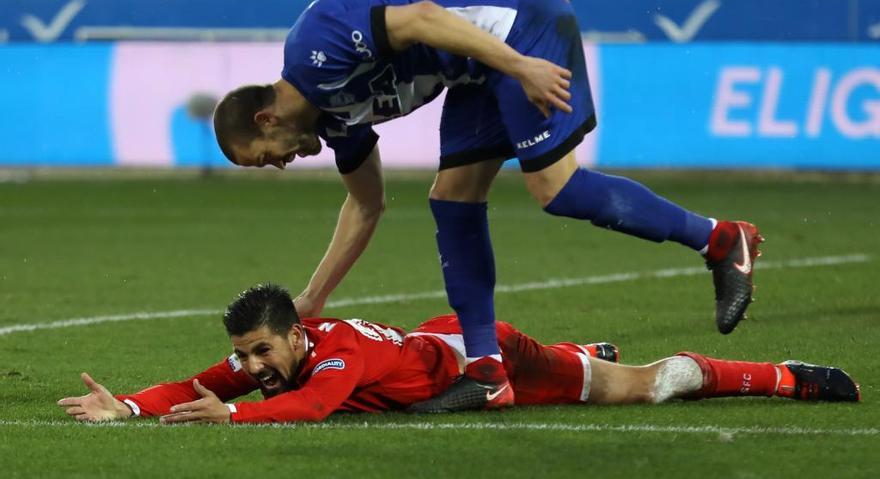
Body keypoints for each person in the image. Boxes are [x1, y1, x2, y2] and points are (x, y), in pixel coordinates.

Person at [211, 0, 764, 413]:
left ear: (265, 119)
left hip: (517, 29)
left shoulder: (313, 47)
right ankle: (487, 373)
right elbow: (366, 203)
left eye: (264, 156)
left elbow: (424, 16)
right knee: (452, 198)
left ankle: (720, 238)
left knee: (557, 187)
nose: (277, 165)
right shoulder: (335, 123)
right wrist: (312, 298)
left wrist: (519, 65)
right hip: (476, 70)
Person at [57, 284, 859, 424]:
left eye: (260, 351)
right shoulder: (280, 354)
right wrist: (128, 404)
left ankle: (783, 376)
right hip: (443, 355)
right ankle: (584, 355)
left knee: (658, 387)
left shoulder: (332, 358)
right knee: (593, 377)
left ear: (296, 333)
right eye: (245, 355)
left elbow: (310, 406)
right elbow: (194, 381)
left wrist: (228, 414)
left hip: (487, 362)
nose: (251, 366)